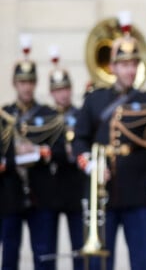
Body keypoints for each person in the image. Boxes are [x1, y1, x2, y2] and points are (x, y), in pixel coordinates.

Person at [73, 18, 146, 270]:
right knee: (100, 263)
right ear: (112, 66)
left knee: (141, 261)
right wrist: (90, 165)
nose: (129, 70)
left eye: (133, 64)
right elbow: (79, 140)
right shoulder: (94, 100)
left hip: (138, 193)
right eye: (124, 64)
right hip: (103, 195)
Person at [0, 36, 67, 270]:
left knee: (45, 257)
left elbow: (61, 152)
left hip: (42, 195)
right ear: (14, 83)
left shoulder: (48, 114)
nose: (26, 87)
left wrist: (38, 151)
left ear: (35, 83)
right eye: (22, 82)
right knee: (9, 255)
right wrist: (13, 155)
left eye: (30, 82)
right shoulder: (4, 115)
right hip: (10, 195)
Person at [47, 47, 85, 270]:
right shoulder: (46, 117)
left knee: (79, 249)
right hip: (51, 190)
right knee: (49, 249)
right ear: (51, 92)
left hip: (75, 187)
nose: (62, 94)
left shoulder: (80, 116)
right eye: (57, 89)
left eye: (65, 88)